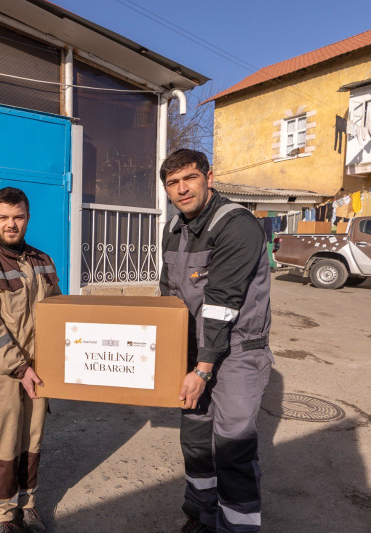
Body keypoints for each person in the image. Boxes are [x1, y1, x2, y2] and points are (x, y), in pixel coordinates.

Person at [159, 149, 273, 533]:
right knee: (195, 441)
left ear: (208, 177)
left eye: (189, 178)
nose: (182, 189)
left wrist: (203, 370)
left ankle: (236, 527)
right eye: (173, 183)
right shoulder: (173, 228)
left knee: (232, 448)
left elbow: (222, 303)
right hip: (195, 352)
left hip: (237, 353)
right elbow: (168, 297)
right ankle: (202, 515)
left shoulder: (236, 224)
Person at [0, 187, 61, 533]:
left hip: (40, 371)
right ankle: (2, 514)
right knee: (4, 447)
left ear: (28, 218)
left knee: (32, 442)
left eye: (18, 217)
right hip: (2, 374)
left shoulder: (43, 260)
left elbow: (58, 311)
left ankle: (27, 504)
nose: (11, 224)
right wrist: (19, 367)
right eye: (3, 217)